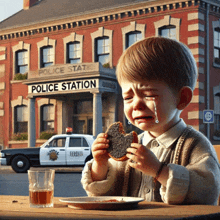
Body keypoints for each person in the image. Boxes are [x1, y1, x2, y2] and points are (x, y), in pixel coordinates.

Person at [81, 37, 220, 205]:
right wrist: (100, 165)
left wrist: (159, 170)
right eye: (128, 97)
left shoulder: (195, 145)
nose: (137, 104)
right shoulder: (129, 147)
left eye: (148, 95)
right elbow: (105, 195)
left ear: (182, 98)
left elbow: (207, 192)